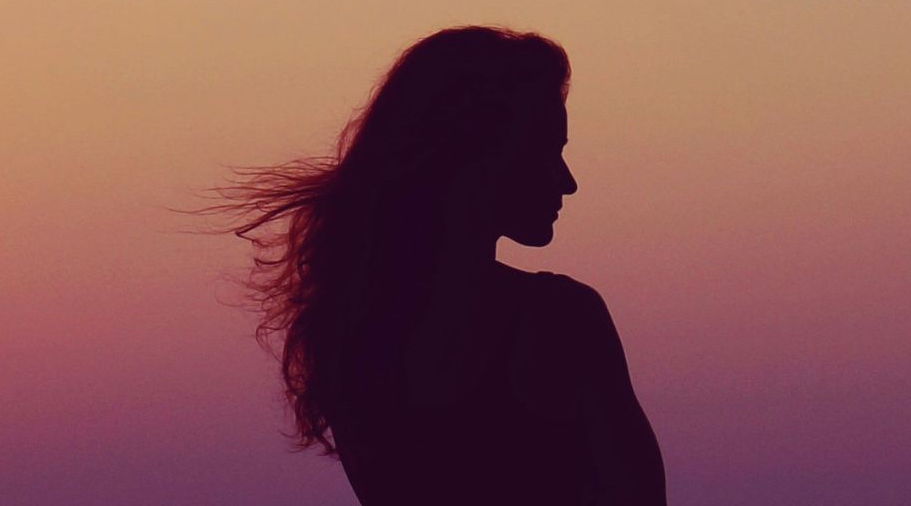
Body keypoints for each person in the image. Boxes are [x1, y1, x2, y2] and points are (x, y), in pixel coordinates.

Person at [195, 25, 666, 505]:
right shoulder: (562, 320)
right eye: (546, 151)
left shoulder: (349, 335)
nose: (567, 183)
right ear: (476, 154)